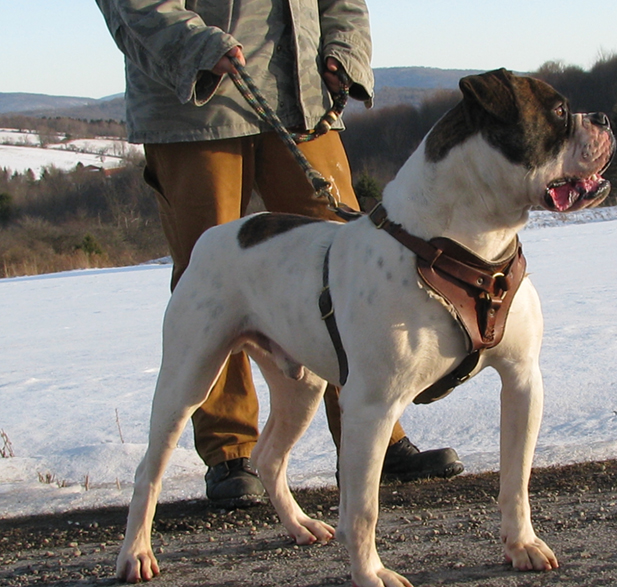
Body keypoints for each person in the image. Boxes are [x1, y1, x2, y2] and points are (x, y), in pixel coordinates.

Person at [96, 0, 463, 506]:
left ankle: (376, 437)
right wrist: (196, 46)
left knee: (353, 266)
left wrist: (344, 52)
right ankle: (230, 451)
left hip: (303, 95)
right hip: (194, 102)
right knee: (214, 280)